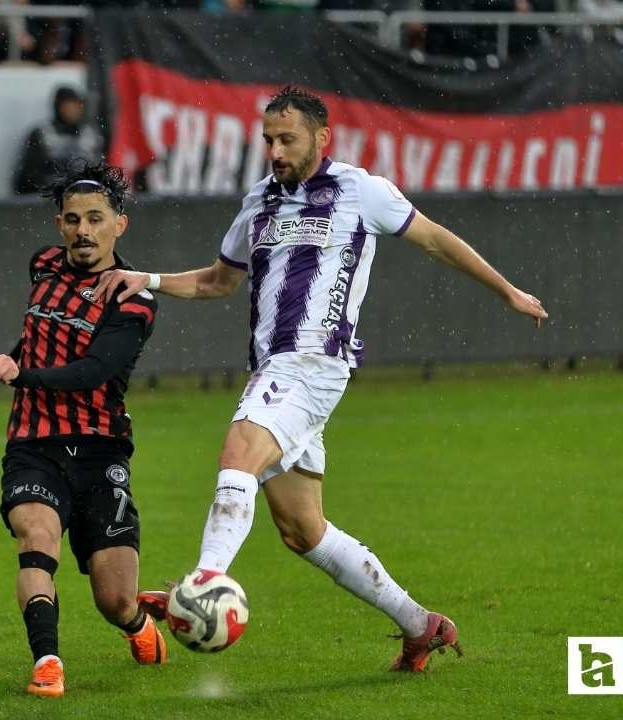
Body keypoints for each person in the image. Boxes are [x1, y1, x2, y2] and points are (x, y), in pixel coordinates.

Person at [94, 86, 548, 672]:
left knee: (238, 455)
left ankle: (205, 583)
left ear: (321, 137)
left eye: (288, 139)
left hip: (312, 363)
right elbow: (217, 281)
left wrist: (507, 291)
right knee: (301, 529)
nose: (276, 151)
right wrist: (149, 279)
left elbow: (436, 239)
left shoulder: (360, 190)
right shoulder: (260, 201)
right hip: (274, 368)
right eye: (268, 140)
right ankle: (421, 625)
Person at [0, 161, 166, 698]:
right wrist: (17, 356)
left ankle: (137, 619)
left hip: (99, 449)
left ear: (119, 225)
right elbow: (40, 334)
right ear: (59, 224)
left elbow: (95, 370)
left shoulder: (133, 299)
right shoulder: (43, 265)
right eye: (72, 219)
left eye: (95, 219)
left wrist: (22, 375)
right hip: (33, 443)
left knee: (114, 601)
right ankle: (47, 662)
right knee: (36, 539)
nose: (83, 230)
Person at [12, 86, 104, 195]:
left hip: (85, 195)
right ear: (58, 106)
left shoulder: (90, 135)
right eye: (68, 105)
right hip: (50, 196)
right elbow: (28, 175)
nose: (72, 110)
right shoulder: (43, 134)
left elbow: (99, 168)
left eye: (76, 105)